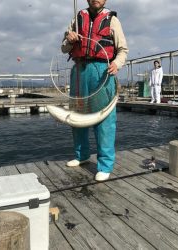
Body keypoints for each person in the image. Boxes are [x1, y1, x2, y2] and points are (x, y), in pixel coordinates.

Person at [61, 0, 128, 181]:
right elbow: (63, 48)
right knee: (76, 115)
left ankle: (105, 164)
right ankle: (81, 155)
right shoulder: (77, 18)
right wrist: (69, 39)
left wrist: (116, 63)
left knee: (104, 118)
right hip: (78, 71)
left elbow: (122, 50)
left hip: (102, 71)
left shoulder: (112, 20)